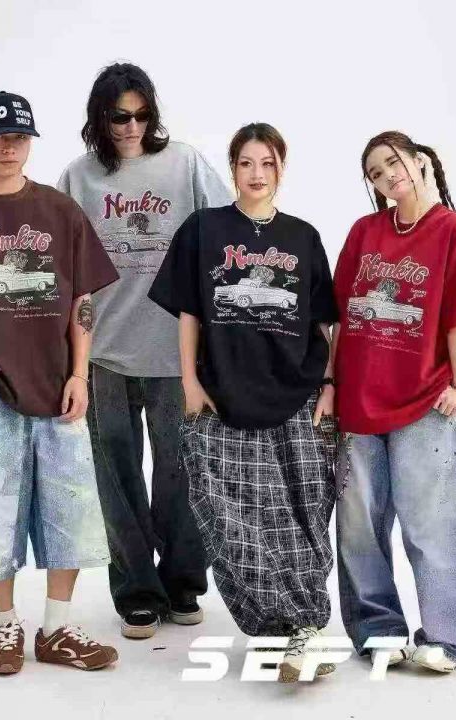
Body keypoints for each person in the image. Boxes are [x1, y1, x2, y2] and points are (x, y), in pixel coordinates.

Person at [149, 123, 338, 683]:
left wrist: (329, 384)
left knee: (301, 511)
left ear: (282, 168)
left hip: (296, 393)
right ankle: (274, 627)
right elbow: (190, 312)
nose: (257, 174)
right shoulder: (204, 229)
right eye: (246, 163)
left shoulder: (303, 236)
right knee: (228, 516)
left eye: (268, 163)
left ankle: (304, 626)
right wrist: (190, 381)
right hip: (221, 394)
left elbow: (324, 322)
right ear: (232, 168)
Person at [0, 91, 119, 674]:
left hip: (58, 386)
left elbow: (82, 300)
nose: (9, 147)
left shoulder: (60, 211)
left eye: (18, 137)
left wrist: (80, 374)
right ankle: (7, 626)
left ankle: (58, 629)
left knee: (72, 512)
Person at [58, 63, 233, 639]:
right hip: (103, 354)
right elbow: (62, 269)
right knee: (117, 480)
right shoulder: (78, 176)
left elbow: (225, 231)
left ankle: (182, 583)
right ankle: (136, 591)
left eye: (142, 115)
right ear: (100, 119)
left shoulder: (184, 163)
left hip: (174, 353)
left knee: (181, 476)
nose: (132, 127)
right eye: (120, 117)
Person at [333, 130, 456, 673]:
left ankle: (447, 637)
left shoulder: (453, 229)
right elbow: (341, 316)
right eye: (375, 172)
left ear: (419, 162)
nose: (387, 176)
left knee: (433, 521)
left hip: (424, 400)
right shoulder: (365, 231)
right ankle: (378, 630)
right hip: (358, 400)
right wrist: (330, 384)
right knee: (358, 526)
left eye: (393, 162)